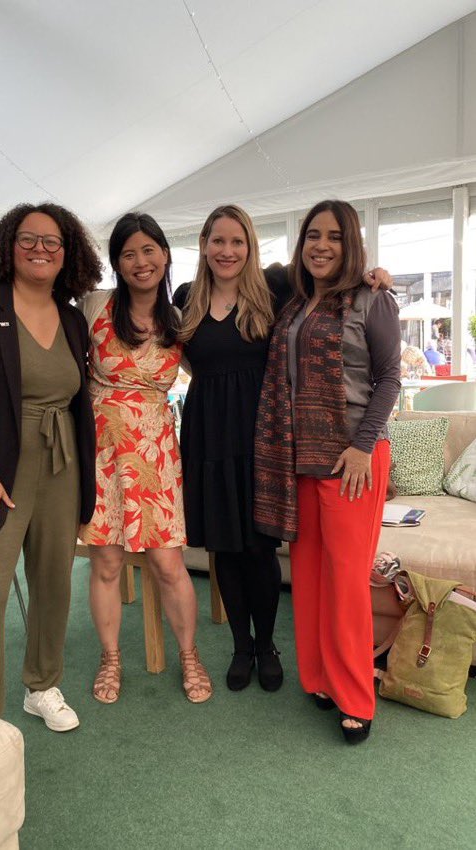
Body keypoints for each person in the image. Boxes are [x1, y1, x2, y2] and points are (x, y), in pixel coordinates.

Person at [174, 204, 391, 695]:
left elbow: (331, 267)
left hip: (267, 435)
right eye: (217, 241)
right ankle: (240, 647)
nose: (227, 251)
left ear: (250, 246)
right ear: (204, 245)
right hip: (209, 432)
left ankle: (268, 645)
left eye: (237, 242)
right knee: (225, 549)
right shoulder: (186, 297)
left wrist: (375, 274)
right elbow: (184, 358)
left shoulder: (274, 288)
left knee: (261, 545)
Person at [0, 202, 101, 729]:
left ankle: (42, 685)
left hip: (62, 466)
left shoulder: (75, 320)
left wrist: (85, 493)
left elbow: (80, 409)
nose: (40, 249)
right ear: (8, 246)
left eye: (52, 242)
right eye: (28, 239)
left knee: (54, 585)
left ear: (67, 253)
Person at [253, 200, 401, 744]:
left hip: (352, 459)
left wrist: (363, 446)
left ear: (352, 243)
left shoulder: (373, 298)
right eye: (313, 235)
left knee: (345, 583)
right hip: (301, 458)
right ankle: (318, 678)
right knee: (310, 574)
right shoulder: (293, 301)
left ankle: (357, 697)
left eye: (335, 237)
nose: (321, 245)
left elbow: (389, 378)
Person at [78, 212, 212, 705]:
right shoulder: (93, 306)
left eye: (148, 250)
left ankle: (190, 655)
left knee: (168, 563)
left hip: (156, 453)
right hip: (102, 452)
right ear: (116, 262)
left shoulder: (182, 320)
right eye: (128, 253)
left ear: (166, 254)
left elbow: (262, 293)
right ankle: (110, 657)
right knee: (107, 562)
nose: (140, 261)